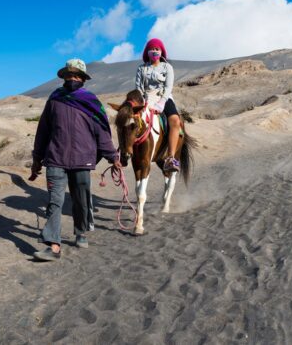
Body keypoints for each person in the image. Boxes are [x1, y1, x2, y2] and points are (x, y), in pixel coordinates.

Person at [29, 58, 121, 261]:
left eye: (76, 75)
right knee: (55, 201)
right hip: (55, 158)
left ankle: (80, 231)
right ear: (63, 77)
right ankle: (53, 245)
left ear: (83, 79)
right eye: (69, 75)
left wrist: (112, 157)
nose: (73, 78)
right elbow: (43, 131)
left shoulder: (91, 102)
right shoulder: (54, 100)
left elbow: (102, 133)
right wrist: (37, 159)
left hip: (82, 160)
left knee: (81, 200)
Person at [135, 38, 181, 172]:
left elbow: (168, 87)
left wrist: (161, 103)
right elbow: (138, 87)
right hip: (146, 99)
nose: (154, 51)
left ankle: (171, 157)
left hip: (164, 98)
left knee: (175, 120)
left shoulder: (167, 67)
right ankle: (125, 150)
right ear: (147, 52)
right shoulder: (141, 68)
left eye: (157, 49)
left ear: (161, 52)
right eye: (152, 49)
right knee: (130, 118)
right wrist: (143, 102)